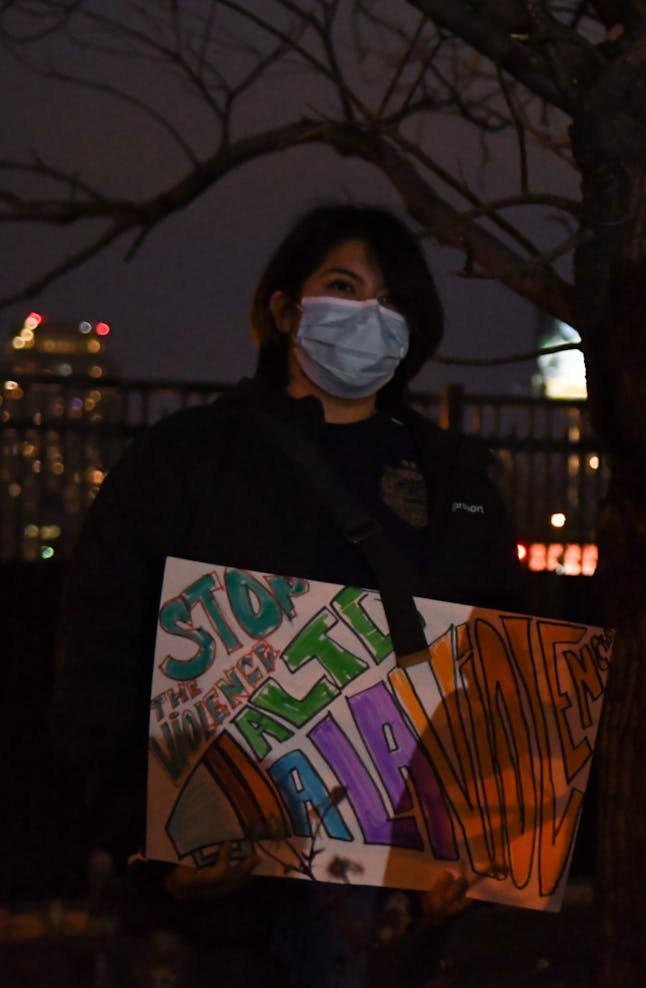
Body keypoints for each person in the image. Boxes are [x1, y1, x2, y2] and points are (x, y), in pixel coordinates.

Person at [50, 204, 527, 987]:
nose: (370, 317)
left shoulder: (455, 482)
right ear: (282, 308)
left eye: (392, 303)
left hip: (400, 902)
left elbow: (499, 660)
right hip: (218, 913)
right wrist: (147, 833)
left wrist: (489, 828)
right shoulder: (187, 460)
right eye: (344, 286)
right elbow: (101, 655)